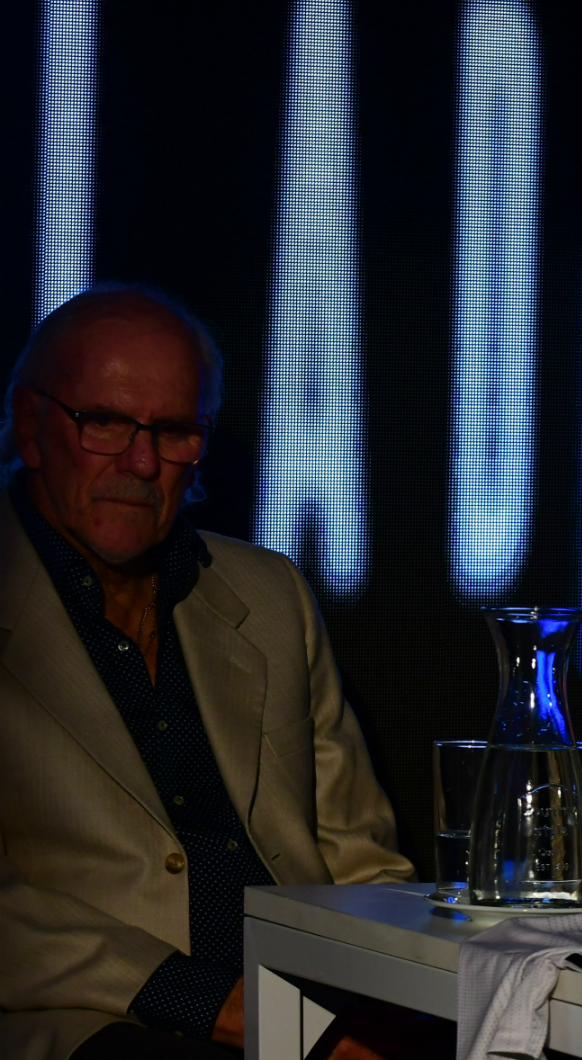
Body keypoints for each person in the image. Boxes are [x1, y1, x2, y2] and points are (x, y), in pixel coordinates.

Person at [0, 286, 419, 1060]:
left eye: (173, 431)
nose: (139, 461)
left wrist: (394, 1001)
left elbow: (364, 862)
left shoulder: (269, 593)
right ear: (31, 427)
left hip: (312, 1004)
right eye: (104, 423)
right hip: (97, 1019)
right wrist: (225, 1006)